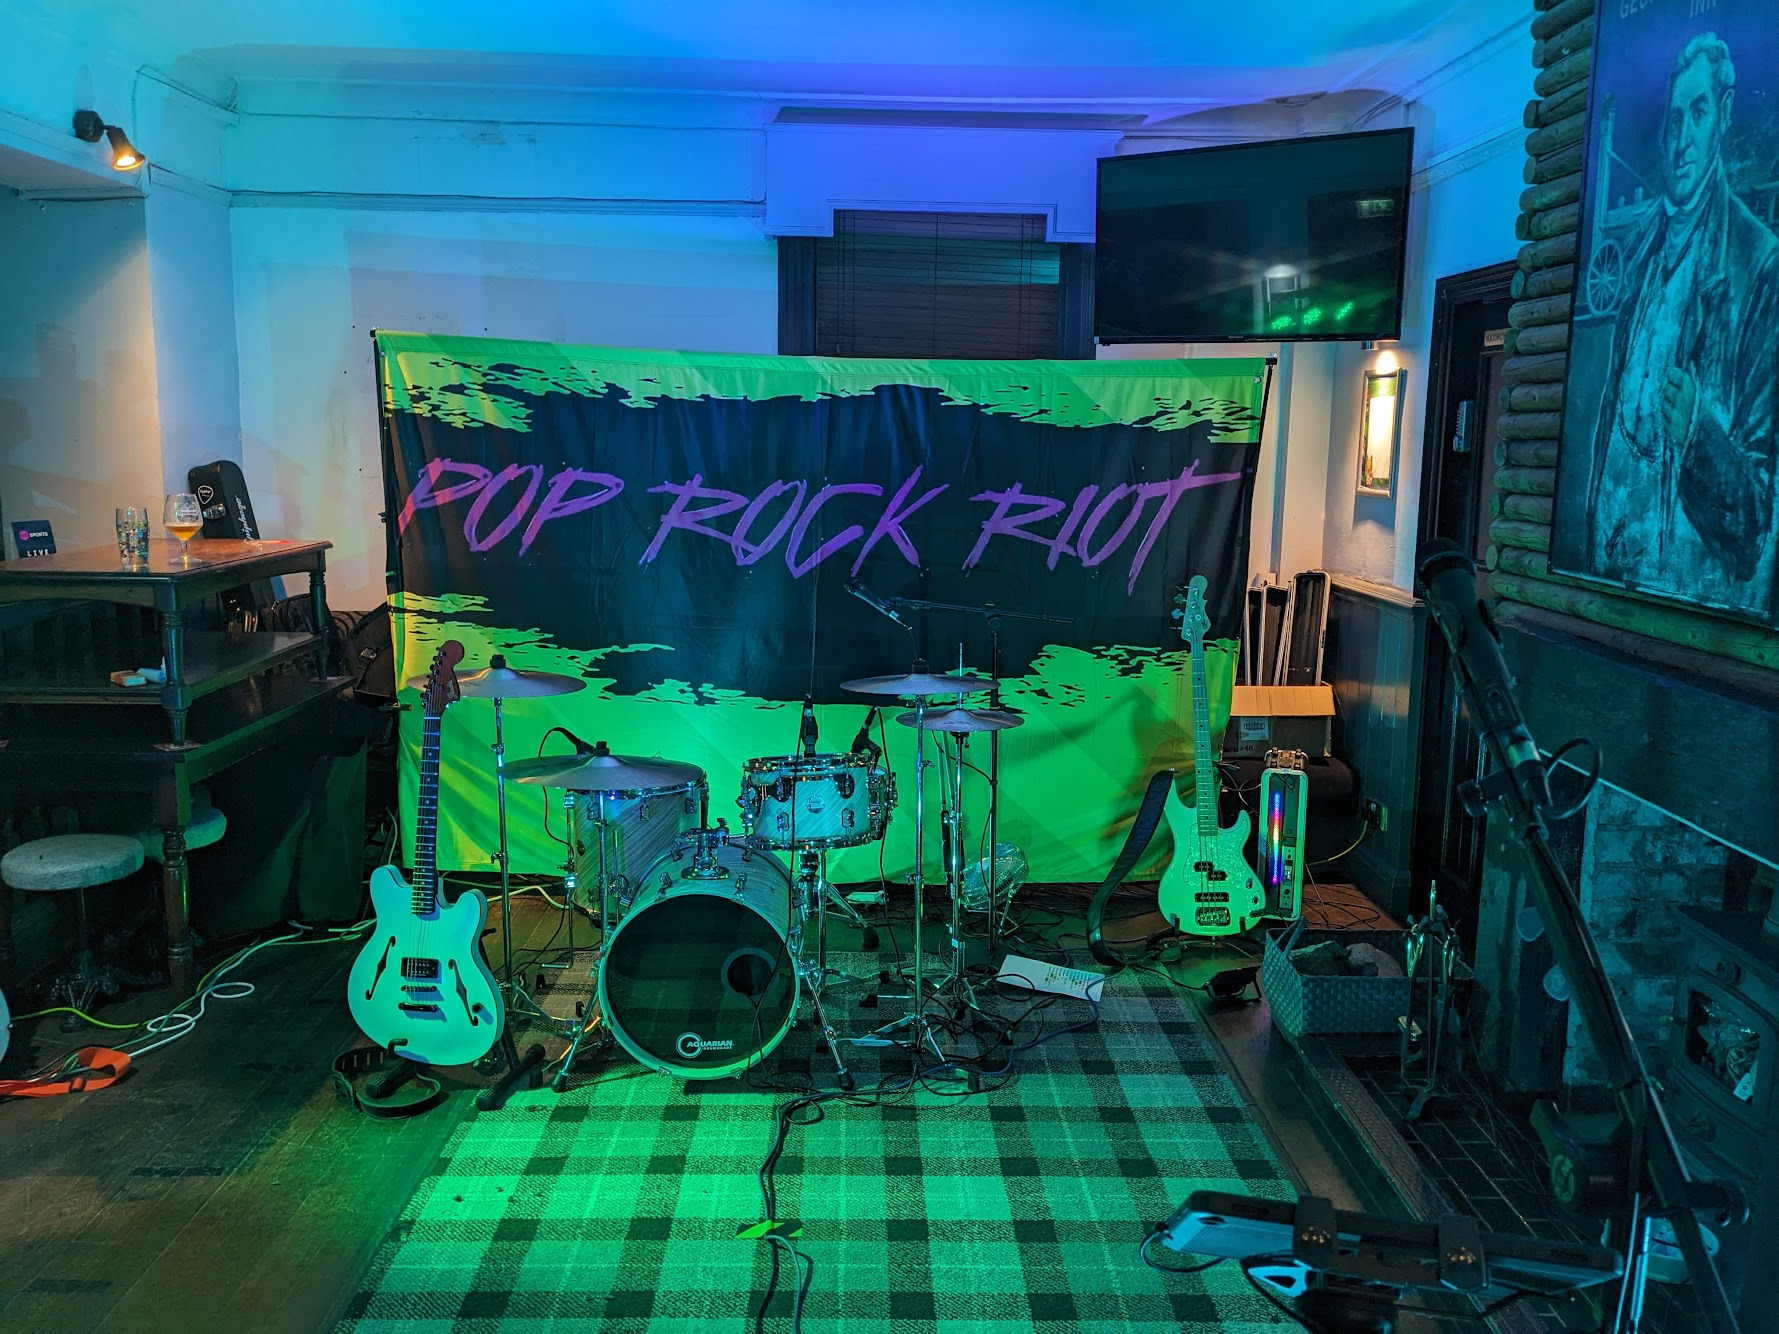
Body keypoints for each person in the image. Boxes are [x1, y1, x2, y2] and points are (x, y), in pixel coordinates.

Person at [1585, 32, 1779, 619]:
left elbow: (1756, 520)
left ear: (1723, 113)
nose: (1682, 138)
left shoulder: (1759, 263)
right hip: (1608, 590)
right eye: (1674, 119)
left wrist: (1697, 432)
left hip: (1689, 614)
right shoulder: (1642, 244)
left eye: (1698, 113)